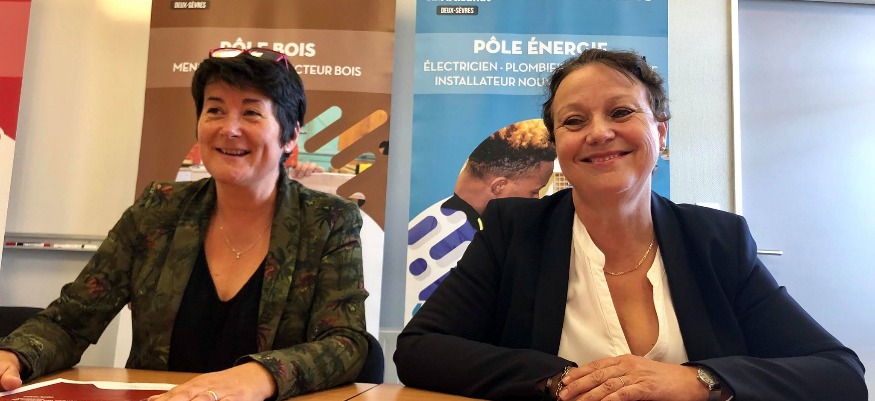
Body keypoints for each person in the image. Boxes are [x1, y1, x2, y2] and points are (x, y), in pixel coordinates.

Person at [393, 48, 866, 401]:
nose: (599, 133)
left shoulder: (716, 241)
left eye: (621, 112)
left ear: (660, 130)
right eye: (574, 121)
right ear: (558, 146)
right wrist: (560, 381)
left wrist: (699, 381)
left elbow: (839, 373)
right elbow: (419, 350)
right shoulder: (514, 230)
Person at [0, 48, 368, 401]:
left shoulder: (327, 220)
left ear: (290, 136)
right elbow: (70, 321)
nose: (230, 129)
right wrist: (14, 355)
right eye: (215, 110)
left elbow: (346, 343)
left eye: (251, 113)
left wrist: (263, 376)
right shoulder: (158, 210)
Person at [405, 120, 555, 318]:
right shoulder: (462, 246)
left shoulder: (433, 218)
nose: (537, 200)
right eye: (534, 191)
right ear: (499, 186)